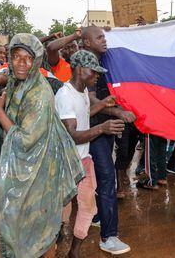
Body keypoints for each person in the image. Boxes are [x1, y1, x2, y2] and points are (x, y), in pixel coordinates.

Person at [0, 33, 84, 258]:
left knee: (39, 225)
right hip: (26, 163)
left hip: (41, 169)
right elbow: (4, 81)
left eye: (28, 58)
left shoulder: (39, 93)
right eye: (16, 56)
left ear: (37, 61)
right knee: (24, 223)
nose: (22, 63)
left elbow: (25, 139)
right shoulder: (19, 80)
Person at [55, 50, 125, 258]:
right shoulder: (65, 96)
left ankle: (73, 252)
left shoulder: (83, 91)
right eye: (94, 72)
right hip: (66, 163)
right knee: (63, 209)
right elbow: (72, 135)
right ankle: (56, 236)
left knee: (88, 208)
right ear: (79, 69)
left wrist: (102, 105)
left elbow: (83, 115)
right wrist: (102, 129)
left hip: (84, 161)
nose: (97, 76)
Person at [83, 26, 134, 254]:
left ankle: (96, 215)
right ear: (86, 42)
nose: (105, 40)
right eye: (100, 37)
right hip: (94, 131)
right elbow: (93, 101)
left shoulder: (105, 60)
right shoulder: (87, 66)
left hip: (103, 129)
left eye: (105, 37)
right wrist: (118, 112)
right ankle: (109, 236)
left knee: (96, 179)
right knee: (106, 180)